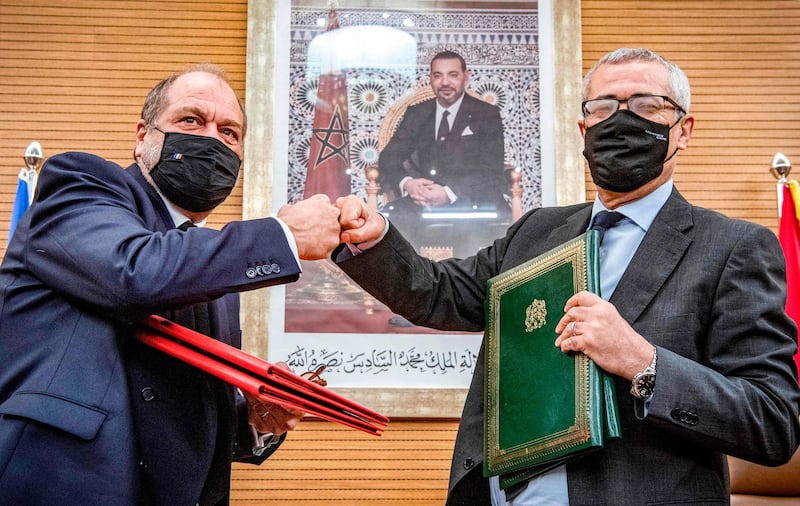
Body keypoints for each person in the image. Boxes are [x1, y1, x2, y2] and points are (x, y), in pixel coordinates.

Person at [335, 48, 800, 504]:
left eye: (646, 106)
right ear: (584, 129)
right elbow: (437, 295)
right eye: (603, 109)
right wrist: (374, 238)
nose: (622, 121)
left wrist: (643, 362)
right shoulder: (537, 230)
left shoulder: (733, 248)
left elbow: (773, 421)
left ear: (683, 130)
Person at [0, 64, 345, 505]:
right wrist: (284, 235)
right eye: (191, 120)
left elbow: (179, 403)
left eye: (229, 132)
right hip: (66, 487)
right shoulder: (82, 186)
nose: (211, 140)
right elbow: (134, 272)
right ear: (143, 136)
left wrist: (256, 419)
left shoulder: (206, 262)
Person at [378, 50, 508, 257]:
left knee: (472, 233)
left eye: (453, 75)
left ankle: (465, 287)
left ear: (466, 76)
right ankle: (413, 285)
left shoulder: (487, 114)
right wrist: (408, 184)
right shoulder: (418, 113)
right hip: (422, 200)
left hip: (472, 198)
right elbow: (388, 158)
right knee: (393, 221)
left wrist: (448, 193)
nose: (445, 82)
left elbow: (491, 170)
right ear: (430, 79)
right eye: (438, 75)